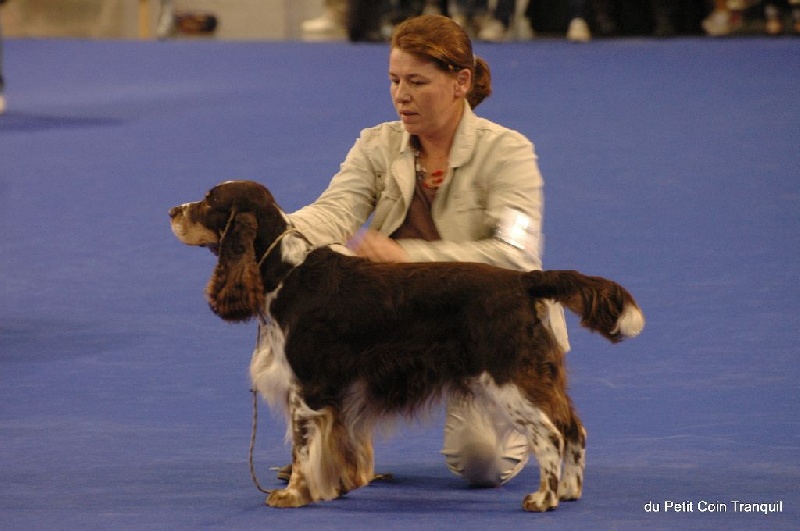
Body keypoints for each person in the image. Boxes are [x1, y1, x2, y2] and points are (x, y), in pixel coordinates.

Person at [284, 14, 569, 487]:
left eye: (417, 81)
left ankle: (535, 412)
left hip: (483, 327)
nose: (401, 94)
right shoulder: (377, 144)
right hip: (399, 324)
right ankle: (343, 435)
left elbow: (516, 256)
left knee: (480, 464)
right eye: (394, 80)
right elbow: (334, 213)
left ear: (461, 81)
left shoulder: (509, 152)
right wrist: (275, 231)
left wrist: (409, 257)